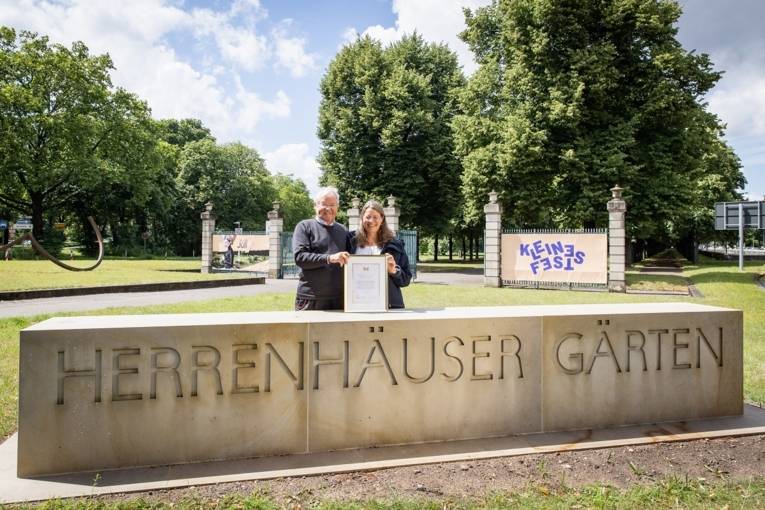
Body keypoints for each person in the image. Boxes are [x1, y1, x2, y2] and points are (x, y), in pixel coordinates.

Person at [292, 187, 351, 310]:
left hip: (338, 299)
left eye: (332, 205)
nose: (328, 209)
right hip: (310, 298)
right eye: (324, 204)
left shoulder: (343, 230)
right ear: (316, 205)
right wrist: (329, 258)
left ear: (337, 207)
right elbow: (300, 257)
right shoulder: (304, 227)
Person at [350, 200, 412, 309]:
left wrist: (394, 271)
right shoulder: (350, 241)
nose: (371, 221)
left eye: (375, 217)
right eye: (368, 217)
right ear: (362, 218)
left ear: (382, 219)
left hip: (389, 304)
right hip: (357, 304)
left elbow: (406, 279)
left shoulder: (395, 244)